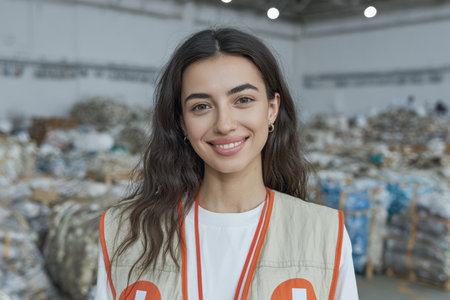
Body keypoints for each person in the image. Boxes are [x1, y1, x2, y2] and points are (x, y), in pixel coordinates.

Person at [95, 27, 358, 300]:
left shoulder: (325, 234)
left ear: (271, 110)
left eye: (243, 100)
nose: (224, 124)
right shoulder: (124, 232)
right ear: (182, 122)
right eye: (201, 106)